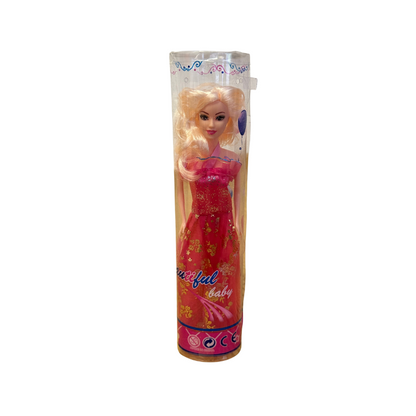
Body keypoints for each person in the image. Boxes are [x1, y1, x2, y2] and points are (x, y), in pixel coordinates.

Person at [174, 83, 245, 332]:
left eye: (219, 117)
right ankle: (194, 324)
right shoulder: (187, 158)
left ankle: (221, 323)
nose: (211, 124)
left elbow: (239, 195)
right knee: (195, 271)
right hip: (197, 226)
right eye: (204, 117)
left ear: (230, 120)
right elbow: (179, 191)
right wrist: (182, 219)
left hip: (225, 227)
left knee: (223, 274)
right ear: (194, 119)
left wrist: (238, 222)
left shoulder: (232, 159)